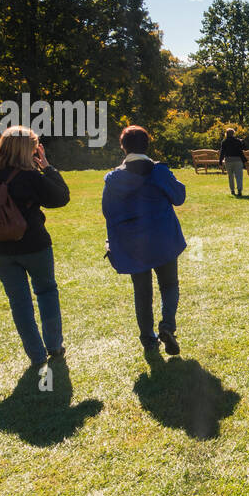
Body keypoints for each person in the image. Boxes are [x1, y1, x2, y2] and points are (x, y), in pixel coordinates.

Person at [0, 126, 70, 368]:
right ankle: (53, 344)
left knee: (19, 302)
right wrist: (47, 167)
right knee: (46, 292)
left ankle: (36, 355)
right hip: (34, 245)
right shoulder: (30, 176)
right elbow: (61, 197)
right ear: (29, 150)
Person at [102, 125, 187, 356]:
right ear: (147, 145)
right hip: (163, 238)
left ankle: (148, 339)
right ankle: (167, 326)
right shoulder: (158, 171)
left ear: (123, 147)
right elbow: (179, 196)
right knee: (169, 285)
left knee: (142, 292)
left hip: (132, 244)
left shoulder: (114, 179)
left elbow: (108, 212)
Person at [219, 127, 246, 197]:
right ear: (233, 133)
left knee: (230, 176)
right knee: (239, 176)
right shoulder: (237, 141)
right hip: (237, 160)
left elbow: (222, 152)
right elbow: (242, 150)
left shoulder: (224, 142)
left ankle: (232, 190)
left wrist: (220, 161)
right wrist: (244, 160)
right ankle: (239, 189)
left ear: (226, 134)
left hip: (228, 160)